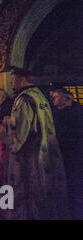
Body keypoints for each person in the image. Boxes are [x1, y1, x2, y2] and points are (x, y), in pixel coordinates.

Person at [1, 67, 69, 219]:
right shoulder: (39, 96)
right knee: (43, 190)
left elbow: (18, 134)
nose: (11, 81)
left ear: (21, 79)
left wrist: (6, 123)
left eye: (12, 77)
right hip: (44, 152)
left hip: (29, 156)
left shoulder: (24, 99)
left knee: (25, 191)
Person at [50, 88, 83, 219]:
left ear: (66, 99)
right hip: (60, 153)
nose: (52, 100)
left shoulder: (78, 112)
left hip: (74, 154)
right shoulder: (56, 112)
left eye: (55, 97)